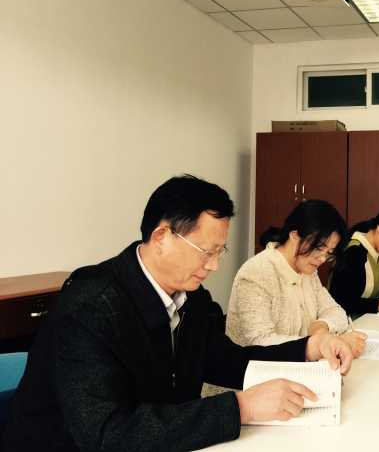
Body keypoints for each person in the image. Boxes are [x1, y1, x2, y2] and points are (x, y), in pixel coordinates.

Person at [3, 175, 353, 452]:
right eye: (206, 251)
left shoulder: (192, 299)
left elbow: (228, 361)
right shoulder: (91, 307)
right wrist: (240, 408)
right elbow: (107, 433)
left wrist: (308, 348)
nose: (214, 265)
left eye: (220, 251)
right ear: (161, 236)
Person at [205, 200, 366, 399]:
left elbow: (337, 312)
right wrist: (318, 344)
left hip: (293, 379)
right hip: (244, 393)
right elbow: (260, 343)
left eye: (329, 253)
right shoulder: (257, 272)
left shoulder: (308, 272)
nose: (323, 259)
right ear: (294, 235)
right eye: (319, 248)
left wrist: (321, 328)